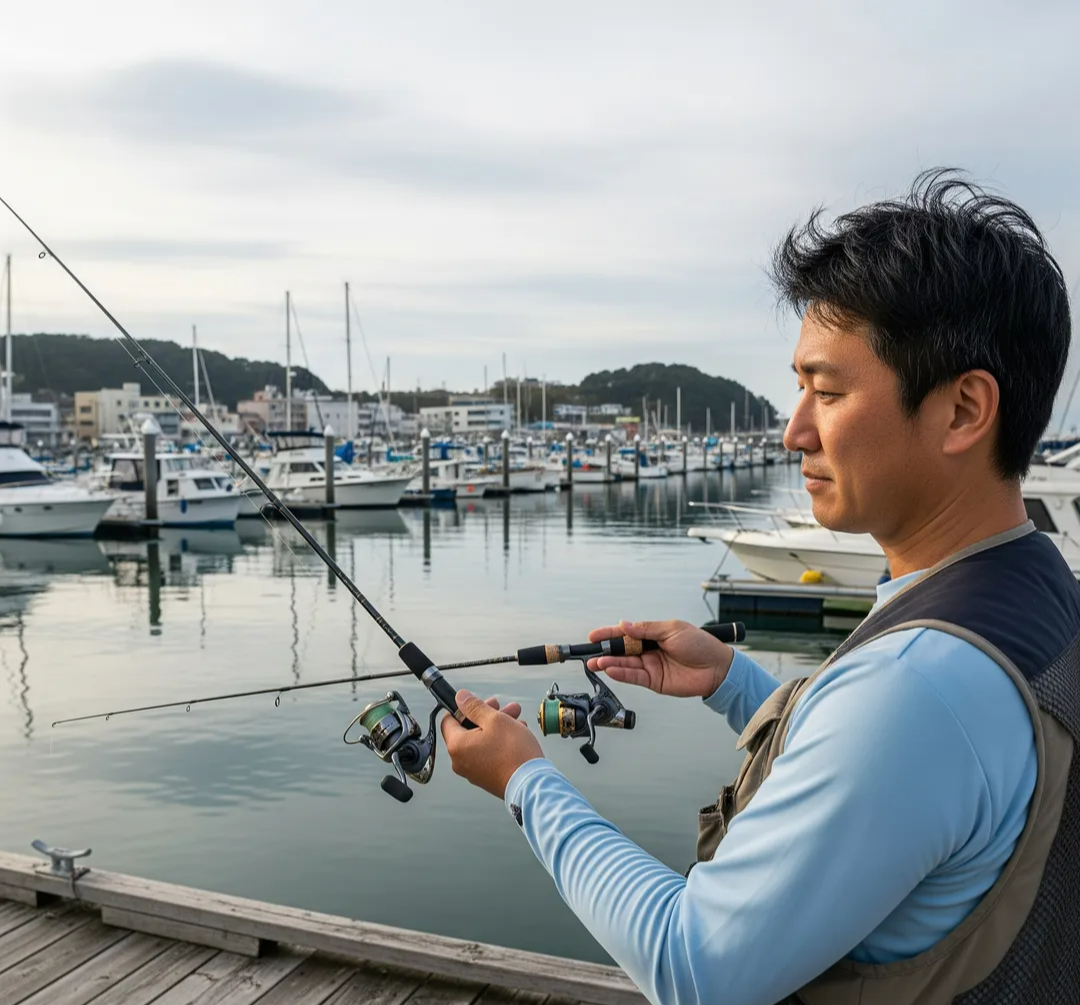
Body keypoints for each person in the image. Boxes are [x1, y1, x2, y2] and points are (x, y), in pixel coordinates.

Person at [441, 171, 1079, 1005]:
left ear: (963, 410)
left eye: (829, 389)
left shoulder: (920, 687)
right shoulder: (1037, 588)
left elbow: (696, 967)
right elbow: (922, 795)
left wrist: (525, 780)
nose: (794, 429)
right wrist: (734, 683)